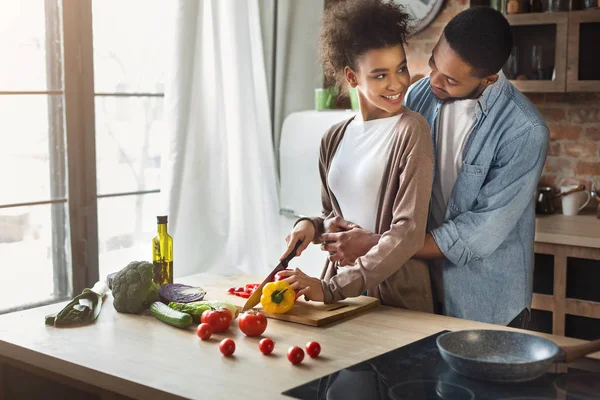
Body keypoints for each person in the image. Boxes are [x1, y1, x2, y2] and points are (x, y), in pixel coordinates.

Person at [312, 7, 550, 328]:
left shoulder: (523, 130)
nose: (433, 80)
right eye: (434, 62)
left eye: (450, 79)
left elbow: (475, 236)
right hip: (417, 289)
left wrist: (377, 243)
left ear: (489, 78)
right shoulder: (419, 95)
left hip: (483, 301)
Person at [278, 0, 435, 312]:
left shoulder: (412, 130)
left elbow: (409, 233)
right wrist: (312, 226)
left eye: (401, 68)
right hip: (344, 295)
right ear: (351, 77)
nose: (397, 83)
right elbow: (332, 216)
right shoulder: (334, 137)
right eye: (380, 75)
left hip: (397, 299)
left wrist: (331, 289)